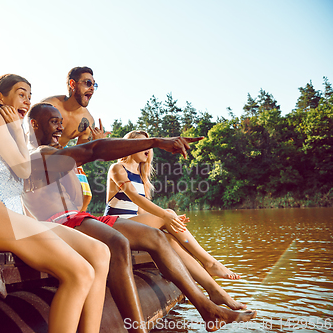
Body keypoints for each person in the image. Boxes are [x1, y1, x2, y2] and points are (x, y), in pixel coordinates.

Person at [22, 103, 257, 333]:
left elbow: (81, 198)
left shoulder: (56, 158)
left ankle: (207, 308)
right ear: (34, 124)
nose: (60, 128)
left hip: (78, 217)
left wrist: (84, 154)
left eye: (61, 123)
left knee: (156, 237)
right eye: (54, 122)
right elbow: (94, 151)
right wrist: (156, 141)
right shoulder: (38, 154)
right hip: (59, 223)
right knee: (119, 243)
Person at [0, 74, 111, 333]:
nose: (27, 100)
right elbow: (23, 169)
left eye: (30, 95)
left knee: (99, 252)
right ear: (0, 97)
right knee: (80, 273)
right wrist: (19, 130)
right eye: (21, 93)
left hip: (11, 216)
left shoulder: (7, 129)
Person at [104, 129, 245, 309]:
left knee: (171, 241)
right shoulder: (117, 168)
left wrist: (169, 220)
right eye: (143, 145)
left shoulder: (140, 176)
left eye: (150, 146)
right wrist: (165, 215)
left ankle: (215, 291)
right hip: (113, 227)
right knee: (168, 213)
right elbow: (134, 197)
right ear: (130, 146)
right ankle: (210, 262)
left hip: (132, 228)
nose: (148, 149)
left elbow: (140, 213)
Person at [42, 66, 109, 212]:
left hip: (63, 155)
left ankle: (78, 220)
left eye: (94, 85)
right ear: (73, 84)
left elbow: (80, 155)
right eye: (88, 83)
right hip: (40, 154)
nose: (92, 88)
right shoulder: (50, 105)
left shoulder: (87, 120)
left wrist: (95, 143)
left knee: (85, 192)